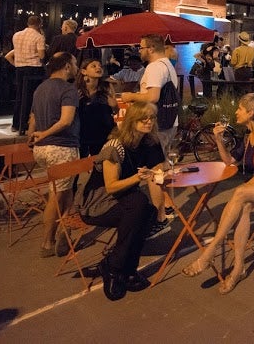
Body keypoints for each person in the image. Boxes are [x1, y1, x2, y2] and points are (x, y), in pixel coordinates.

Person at [181, 93, 254, 294]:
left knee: (240, 194)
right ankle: (238, 269)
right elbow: (229, 161)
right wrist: (218, 139)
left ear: (251, 113)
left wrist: (243, 191)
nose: (236, 112)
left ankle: (209, 253)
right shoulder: (248, 134)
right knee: (242, 206)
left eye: (240, 109)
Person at [77, 101, 159, 300]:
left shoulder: (146, 143)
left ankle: (125, 266)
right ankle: (114, 268)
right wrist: (137, 178)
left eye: (152, 118)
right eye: (143, 118)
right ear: (132, 120)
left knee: (148, 212)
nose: (149, 122)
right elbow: (111, 186)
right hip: (98, 203)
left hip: (123, 200)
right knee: (139, 205)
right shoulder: (116, 147)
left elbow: (159, 165)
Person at [28, 52, 81, 258]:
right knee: (56, 195)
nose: (76, 68)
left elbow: (32, 116)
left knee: (65, 190)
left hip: (42, 149)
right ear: (67, 66)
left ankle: (64, 231)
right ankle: (47, 243)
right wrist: (44, 134)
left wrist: (32, 135)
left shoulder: (40, 88)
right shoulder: (68, 89)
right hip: (61, 147)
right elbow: (66, 120)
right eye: (75, 64)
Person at [121, 34, 177, 156]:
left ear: (151, 48)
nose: (139, 51)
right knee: (163, 162)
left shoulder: (155, 67)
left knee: (155, 164)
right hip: (170, 121)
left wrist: (131, 96)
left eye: (141, 47)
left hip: (156, 124)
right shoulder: (168, 65)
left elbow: (152, 97)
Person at [8, 15, 46, 133]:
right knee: (31, 97)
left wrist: (16, 64)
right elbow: (42, 56)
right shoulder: (39, 37)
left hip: (20, 68)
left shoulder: (16, 35)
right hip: (34, 68)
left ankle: (16, 123)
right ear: (39, 24)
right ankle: (26, 123)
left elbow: (13, 53)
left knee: (20, 95)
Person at [78, 58, 117, 158]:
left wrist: (114, 105)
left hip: (103, 132)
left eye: (100, 65)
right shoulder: (78, 89)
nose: (98, 67)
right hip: (83, 133)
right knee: (80, 163)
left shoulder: (107, 86)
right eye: (93, 66)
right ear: (84, 71)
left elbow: (116, 110)